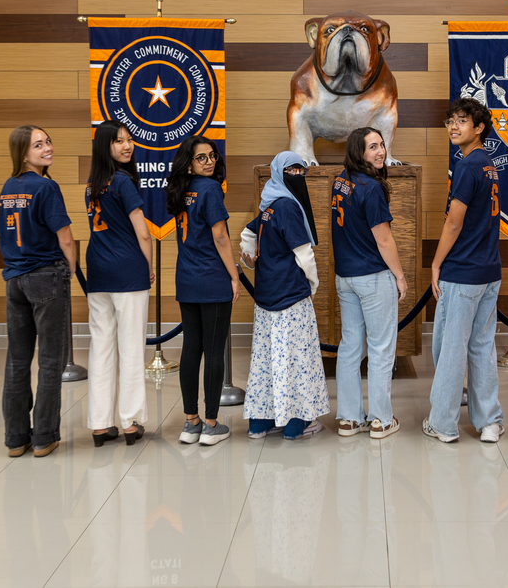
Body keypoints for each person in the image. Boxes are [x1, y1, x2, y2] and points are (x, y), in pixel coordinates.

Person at [424, 98, 505, 444]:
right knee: (482, 347)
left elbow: (454, 222)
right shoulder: (488, 164)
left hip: (463, 272)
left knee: (451, 348)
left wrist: (436, 262)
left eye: (461, 121)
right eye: (450, 121)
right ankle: (488, 421)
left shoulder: (469, 166)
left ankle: (443, 423)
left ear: (479, 128)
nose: (453, 127)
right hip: (489, 269)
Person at [0, 125, 77, 458]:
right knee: (49, 361)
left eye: (48, 141)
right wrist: (70, 269)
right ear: (23, 153)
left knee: (17, 361)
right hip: (46, 276)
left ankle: (16, 438)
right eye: (38, 145)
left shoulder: (6, 188)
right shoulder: (47, 187)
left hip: (14, 280)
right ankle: (44, 436)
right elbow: (66, 237)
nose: (47, 148)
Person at [240, 151, 330, 440]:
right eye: (291, 170)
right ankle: (296, 423)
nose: (298, 175)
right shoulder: (289, 207)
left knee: (267, 359)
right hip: (291, 296)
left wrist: (249, 260)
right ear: (279, 172)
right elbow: (304, 254)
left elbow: (247, 233)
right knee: (296, 359)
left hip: (266, 296)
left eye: (301, 170)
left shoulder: (268, 205)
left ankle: (260, 422)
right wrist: (313, 285)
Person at [331, 127, 408, 439]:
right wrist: (400, 276)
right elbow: (384, 239)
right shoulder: (371, 187)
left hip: (345, 277)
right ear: (358, 152)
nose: (380, 152)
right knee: (380, 349)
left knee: (350, 347)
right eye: (372, 147)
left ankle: (349, 419)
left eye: (381, 145)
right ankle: (381, 420)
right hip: (373, 278)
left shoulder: (341, 180)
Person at [165, 135, 240, 446]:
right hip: (212, 280)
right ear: (189, 162)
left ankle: (190, 422)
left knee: (191, 350)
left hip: (186, 279)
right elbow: (220, 237)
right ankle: (211, 424)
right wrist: (234, 277)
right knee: (213, 351)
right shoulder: (210, 190)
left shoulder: (181, 191)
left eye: (212, 156)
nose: (209, 162)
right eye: (202, 158)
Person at [84, 121, 154, 447]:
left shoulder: (91, 184)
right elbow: (143, 232)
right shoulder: (124, 181)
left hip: (97, 273)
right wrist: (149, 266)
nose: (127, 146)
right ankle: (130, 422)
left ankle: (100, 425)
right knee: (130, 349)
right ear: (104, 146)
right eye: (118, 142)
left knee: (100, 349)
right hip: (128, 273)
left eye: (129, 140)